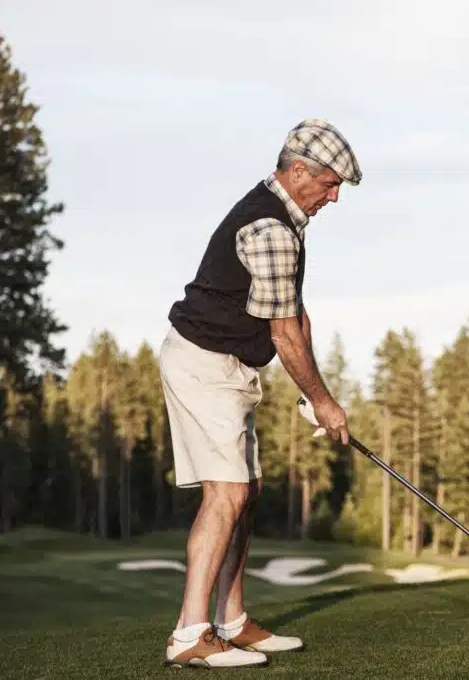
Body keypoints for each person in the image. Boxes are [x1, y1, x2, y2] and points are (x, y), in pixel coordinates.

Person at [157, 118, 361, 669]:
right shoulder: (268, 227)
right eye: (330, 183)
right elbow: (283, 332)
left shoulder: (289, 219)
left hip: (231, 366)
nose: (335, 196)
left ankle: (231, 620)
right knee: (226, 495)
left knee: (247, 491)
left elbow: (293, 311)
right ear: (298, 172)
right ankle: (189, 634)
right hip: (204, 364)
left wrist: (314, 390)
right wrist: (322, 400)